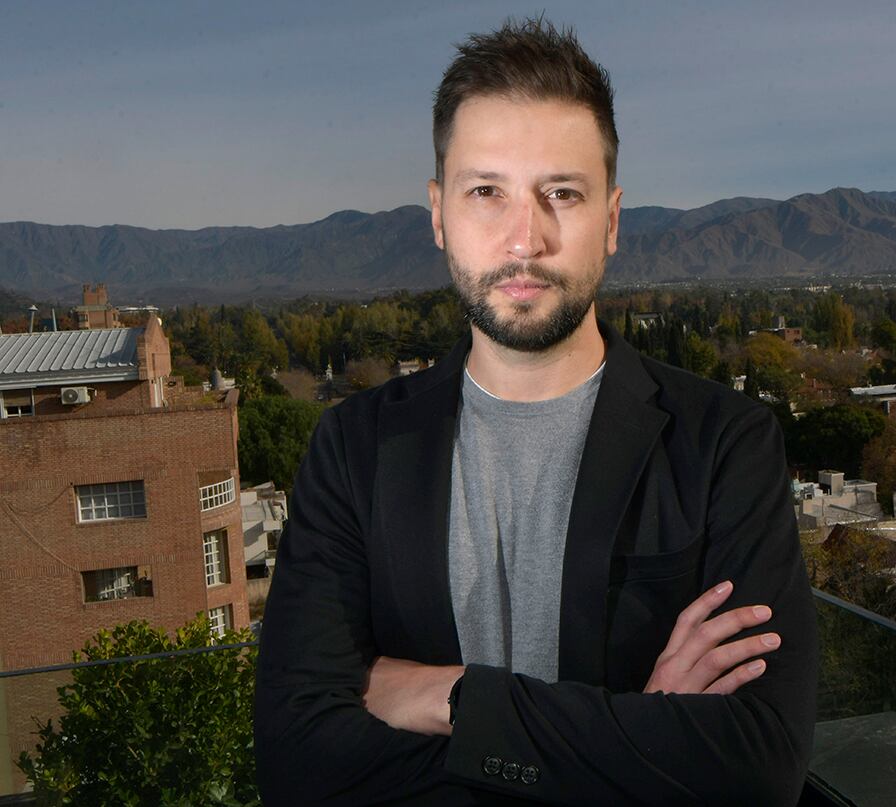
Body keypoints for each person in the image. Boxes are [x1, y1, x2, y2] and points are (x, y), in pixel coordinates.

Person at [254, 17, 817, 806]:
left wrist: (453, 699)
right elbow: (297, 761)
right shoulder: (353, 447)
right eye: (487, 191)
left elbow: (758, 766)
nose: (527, 238)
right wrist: (640, 730)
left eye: (563, 193)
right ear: (439, 213)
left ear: (612, 221)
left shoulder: (726, 444)